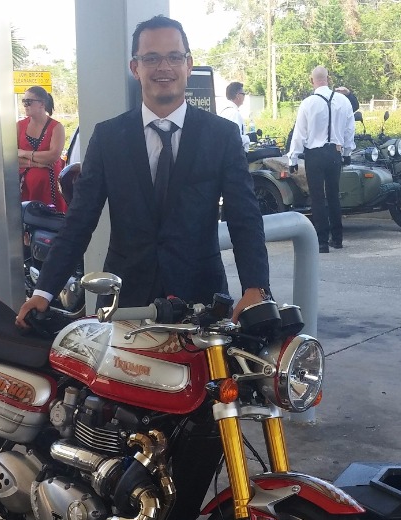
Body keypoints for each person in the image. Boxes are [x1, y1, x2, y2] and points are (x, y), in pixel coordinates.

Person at [16, 15, 269, 327]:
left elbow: (245, 218)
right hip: (124, 301)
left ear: (188, 64)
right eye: (151, 58)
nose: (164, 67)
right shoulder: (108, 137)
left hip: (200, 300)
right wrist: (44, 291)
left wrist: (256, 287)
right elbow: (79, 220)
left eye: (174, 57)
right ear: (135, 67)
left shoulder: (221, 136)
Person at [287, 66, 355, 253]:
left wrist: (293, 158)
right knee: (334, 195)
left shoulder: (308, 103)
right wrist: (347, 152)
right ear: (328, 78)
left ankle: (322, 242)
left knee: (317, 197)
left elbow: (299, 133)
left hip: (314, 155)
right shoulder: (343, 101)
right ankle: (338, 238)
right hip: (335, 152)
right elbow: (350, 129)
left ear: (312, 81)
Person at [17, 85, 68, 212]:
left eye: (29, 101)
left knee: (52, 218)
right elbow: (12, 158)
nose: (25, 105)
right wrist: (37, 164)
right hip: (25, 188)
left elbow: (52, 156)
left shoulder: (56, 127)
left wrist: (24, 153)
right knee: (27, 218)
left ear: (42, 104)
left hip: (50, 186)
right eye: (24, 101)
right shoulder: (19, 126)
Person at [219, 81, 249, 147]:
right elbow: (236, 139)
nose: (244, 97)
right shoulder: (234, 114)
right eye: (243, 94)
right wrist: (248, 138)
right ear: (238, 96)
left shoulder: (224, 111)